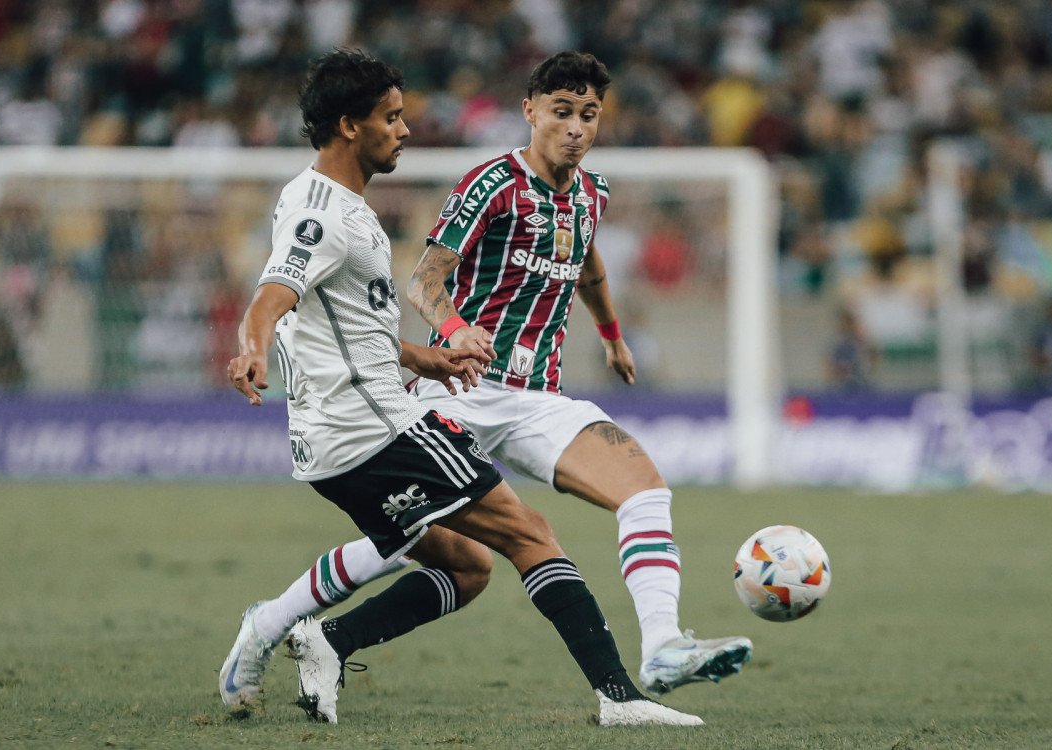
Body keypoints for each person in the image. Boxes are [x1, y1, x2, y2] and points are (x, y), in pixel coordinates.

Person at [218, 48, 701, 728]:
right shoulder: (335, 212)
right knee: (529, 536)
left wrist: (429, 356)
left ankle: (308, 634)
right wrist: (251, 345)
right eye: (392, 117)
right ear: (352, 125)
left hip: (371, 422)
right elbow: (277, 292)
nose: (406, 129)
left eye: (589, 114)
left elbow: (351, 330)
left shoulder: (332, 202)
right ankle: (622, 696)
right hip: (381, 425)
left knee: (465, 566)